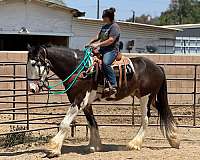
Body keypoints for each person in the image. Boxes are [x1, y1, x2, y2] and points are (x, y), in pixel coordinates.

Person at [89, 7, 120, 96]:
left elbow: (111, 40)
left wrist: (98, 45)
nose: (102, 18)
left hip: (111, 50)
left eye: (104, 17)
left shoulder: (115, 27)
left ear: (108, 17)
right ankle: (98, 83)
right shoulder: (104, 26)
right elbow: (98, 36)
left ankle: (113, 85)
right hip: (103, 50)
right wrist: (91, 42)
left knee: (106, 63)